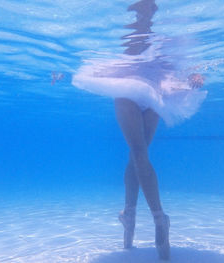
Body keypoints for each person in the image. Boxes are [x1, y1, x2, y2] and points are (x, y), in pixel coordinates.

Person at [72, 0, 205, 260]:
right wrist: (193, 78)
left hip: (137, 90)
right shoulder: (159, 41)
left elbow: (180, 64)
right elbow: (180, 65)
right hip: (153, 92)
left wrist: (193, 78)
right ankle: (145, 218)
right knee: (138, 154)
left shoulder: (136, 37)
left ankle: (148, 217)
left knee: (137, 152)